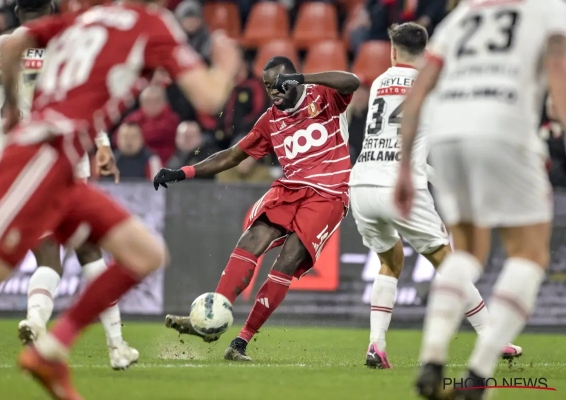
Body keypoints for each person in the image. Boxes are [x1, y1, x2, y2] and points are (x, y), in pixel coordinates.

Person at [0, 0, 241, 398]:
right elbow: (210, 97)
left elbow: (12, 47)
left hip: (62, 168)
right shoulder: (152, 24)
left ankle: (51, 351)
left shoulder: (87, 16)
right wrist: (228, 64)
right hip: (39, 159)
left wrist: (10, 112)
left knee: (144, 254)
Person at [394, 1, 566, 399]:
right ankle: (478, 374)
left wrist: (403, 168)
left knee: (468, 250)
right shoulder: (549, 7)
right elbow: (558, 66)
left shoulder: (463, 13)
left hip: (447, 136)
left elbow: (420, 89)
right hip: (504, 128)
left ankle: (432, 359)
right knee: (529, 254)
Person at [0, 0, 142, 370]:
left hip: (12, 173)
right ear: (54, 7)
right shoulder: (64, 44)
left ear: (17, 12)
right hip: (64, 167)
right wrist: (103, 145)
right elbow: (86, 102)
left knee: (47, 255)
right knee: (92, 253)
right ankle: (117, 345)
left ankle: (35, 319)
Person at [155, 56, 361, 361]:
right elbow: (231, 156)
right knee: (251, 239)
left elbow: (352, 82)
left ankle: (241, 341)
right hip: (291, 188)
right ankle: (212, 319)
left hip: (328, 194)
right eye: (267, 86)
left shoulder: (324, 96)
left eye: (278, 83)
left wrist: (303, 78)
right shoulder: (270, 120)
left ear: (291, 79)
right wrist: (183, 172)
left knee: (288, 260)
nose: (272, 90)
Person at [349, 22, 521, 370]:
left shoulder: (379, 82)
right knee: (448, 261)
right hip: (399, 187)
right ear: (425, 53)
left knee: (390, 262)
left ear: (392, 51)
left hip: (362, 183)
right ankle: (490, 336)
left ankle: (376, 345)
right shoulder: (431, 86)